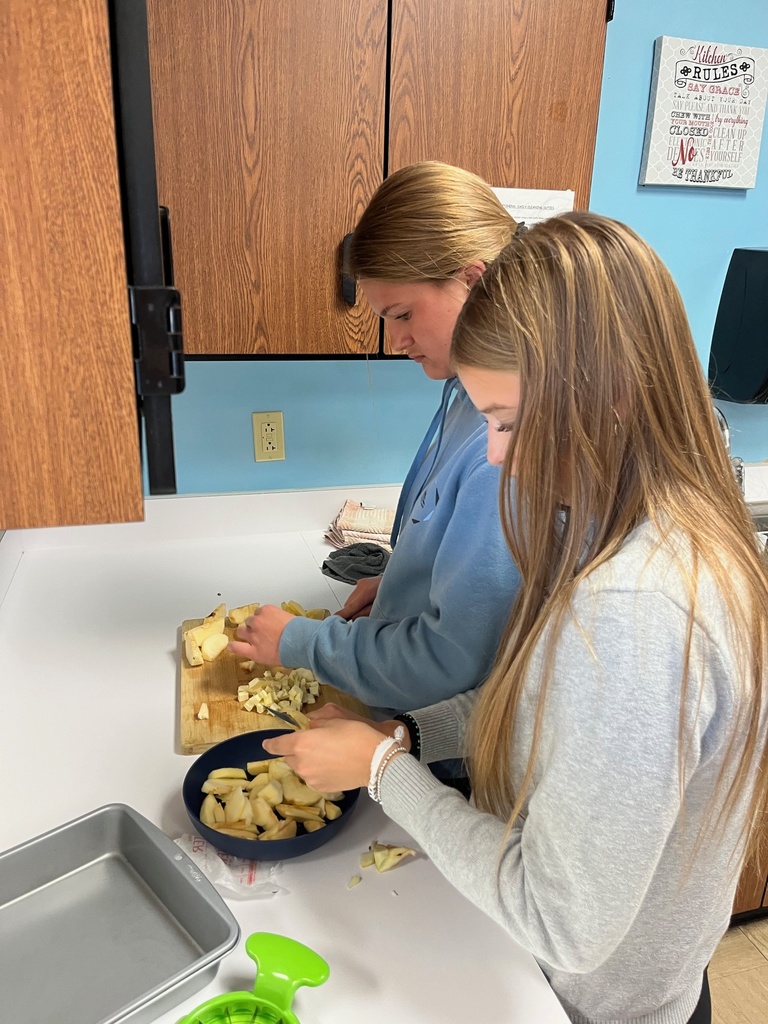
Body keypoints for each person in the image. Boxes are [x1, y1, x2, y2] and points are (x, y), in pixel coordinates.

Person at [260, 212, 768, 1024]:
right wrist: (410, 736)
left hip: (588, 1003)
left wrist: (387, 774)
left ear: (608, 394)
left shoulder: (635, 609)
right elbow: (538, 700)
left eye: (507, 421)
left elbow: (564, 921)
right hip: (641, 976)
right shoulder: (645, 518)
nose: (494, 455)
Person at [230, 162, 522, 716]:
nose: (397, 340)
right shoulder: (467, 390)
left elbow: (449, 663)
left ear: (474, 280)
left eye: (404, 314)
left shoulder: (503, 445)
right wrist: (399, 586)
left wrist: (300, 643)